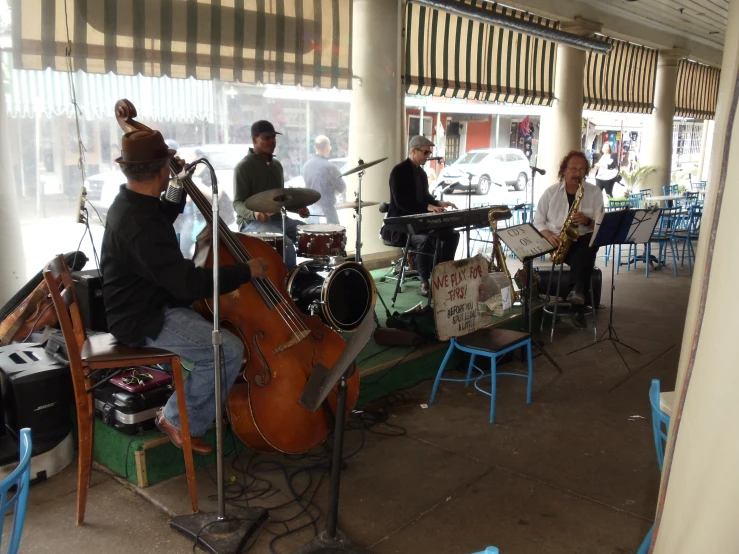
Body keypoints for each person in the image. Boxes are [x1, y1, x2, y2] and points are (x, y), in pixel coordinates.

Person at [100, 130, 269, 455]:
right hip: (144, 318)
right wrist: (246, 271)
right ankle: (176, 418)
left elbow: (167, 211)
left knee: (223, 342)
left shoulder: (135, 203)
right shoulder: (138, 223)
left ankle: (196, 410)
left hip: (153, 303)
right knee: (226, 350)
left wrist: (178, 185)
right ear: (162, 169)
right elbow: (187, 284)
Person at [380, 135, 459, 297]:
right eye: (425, 152)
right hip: (400, 226)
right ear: (413, 151)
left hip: (418, 222)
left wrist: (438, 203)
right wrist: (427, 206)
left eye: (429, 153)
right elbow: (401, 201)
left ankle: (442, 274)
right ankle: (425, 282)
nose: (428, 156)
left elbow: (425, 197)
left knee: (451, 234)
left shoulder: (422, 174)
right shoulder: (399, 171)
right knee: (424, 240)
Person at [534, 150, 604, 329]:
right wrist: (549, 235)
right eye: (573, 169)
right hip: (558, 241)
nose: (577, 173)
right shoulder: (550, 193)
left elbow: (600, 225)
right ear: (564, 170)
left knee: (587, 245)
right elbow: (538, 221)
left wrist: (587, 221)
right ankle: (578, 302)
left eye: (581, 170)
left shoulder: (594, 192)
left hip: (584, 239)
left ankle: (576, 294)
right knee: (586, 256)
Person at [233, 120, 309, 269]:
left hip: (279, 220)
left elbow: (279, 201)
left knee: (309, 233)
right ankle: (285, 287)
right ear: (255, 139)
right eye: (266, 138)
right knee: (286, 245)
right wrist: (254, 214)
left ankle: (309, 278)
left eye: (273, 137)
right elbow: (237, 203)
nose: (272, 141)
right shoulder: (243, 167)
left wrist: (297, 209)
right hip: (251, 223)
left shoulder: (277, 166)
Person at [175, 148, 236, 258]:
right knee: (184, 245)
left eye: (190, 155)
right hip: (196, 216)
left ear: (198, 157)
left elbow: (218, 194)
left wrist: (198, 186)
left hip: (208, 216)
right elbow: (188, 199)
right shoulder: (192, 173)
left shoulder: (207, 173)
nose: (188, 158)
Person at [302, 135, 346, 224]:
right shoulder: (331, 167)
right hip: (327, 212)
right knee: (335, 235)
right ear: (327, 148)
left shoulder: (306, 166)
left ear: (315, 147)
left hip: (310, 212)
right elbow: (342, 188)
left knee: (310, 236)